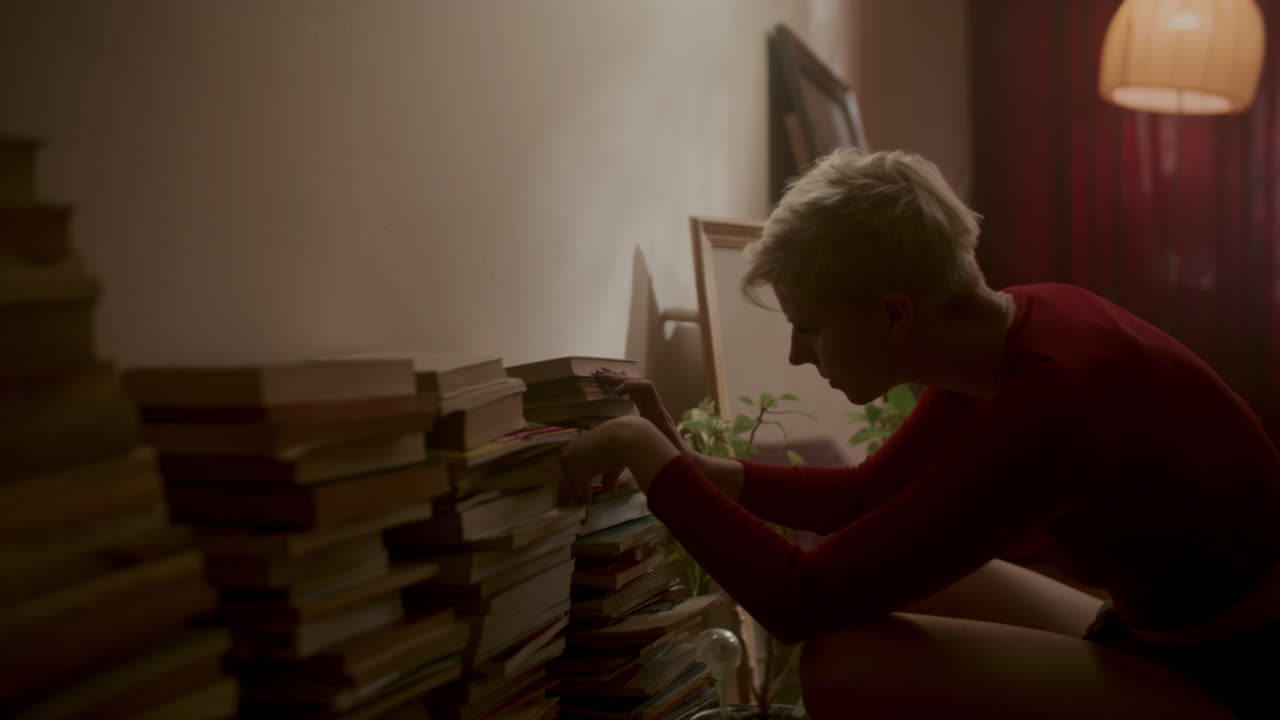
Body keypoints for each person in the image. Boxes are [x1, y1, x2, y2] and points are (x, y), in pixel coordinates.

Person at [557, 148, 1280, 718]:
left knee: (841, 665)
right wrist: (718, 476)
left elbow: (796, 602)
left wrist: (642, 453)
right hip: (1155, 631)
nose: (796, 354)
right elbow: (870, 492)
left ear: (896, 314)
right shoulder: (1016, 326)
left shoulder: (1054, 399)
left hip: (1234, 676)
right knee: (881, 588)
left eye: (808, 327)